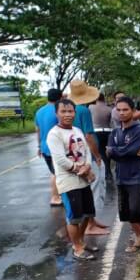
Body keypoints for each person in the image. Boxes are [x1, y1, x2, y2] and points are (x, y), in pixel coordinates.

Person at [47, 98, 98, 260]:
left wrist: (88, 166)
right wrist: (81, 170)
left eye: (70, 111)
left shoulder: (77, 130)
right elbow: (61, 160)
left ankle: (81, 242)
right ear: (57, 113)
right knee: (74, 217)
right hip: (68, 182)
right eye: (63, 111)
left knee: (87, 213)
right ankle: (77, 248)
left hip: (83, 179)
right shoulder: (54, 134)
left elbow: (87, 151)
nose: (68, 114)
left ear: (75, 112)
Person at [107, 96, 140, 254]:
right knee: (126, 212)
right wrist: (124, 151)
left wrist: (119, 151)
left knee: (136, 210)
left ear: (133, 111)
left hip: (138, 176)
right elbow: (110, 152)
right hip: (121, 176)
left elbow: (126, 149)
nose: (121, 113)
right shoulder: (114, 132)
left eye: (125, 109)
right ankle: (138, 237)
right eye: (119, 110)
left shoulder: (139, 129)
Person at [68, 79, 109, 236]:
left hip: (75, 154)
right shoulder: (83, 111)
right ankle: (90, 224)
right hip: (87, 154)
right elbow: (89, 135)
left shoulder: (68, 109)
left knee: (86, 188)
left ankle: (92, 221)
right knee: (96, 187)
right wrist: (97, 155)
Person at [35, 88, 63, 206]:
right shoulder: (58, 111)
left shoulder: (39, 111)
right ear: (60, 98)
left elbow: (38, 130)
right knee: (56, 172)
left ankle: (58, 195)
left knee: (54, 172)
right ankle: (55, 198)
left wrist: (39, 146)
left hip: (44, 146)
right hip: (55, 145)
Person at [89, 92, 113, 180]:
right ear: (104, 98)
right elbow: (111, 122)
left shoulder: (91, 107)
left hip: (96, 131)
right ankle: (108, 171)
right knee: (107, 152)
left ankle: (101, 172)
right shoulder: (109, 109)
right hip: (108, 131)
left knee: (99, 153)